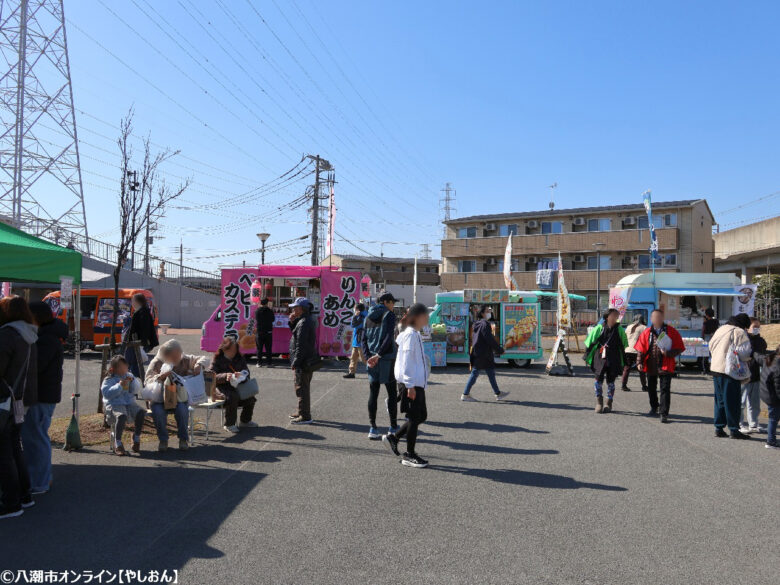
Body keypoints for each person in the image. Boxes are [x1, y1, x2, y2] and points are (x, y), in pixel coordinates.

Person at [21, 302, 67, 493]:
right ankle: (42, 479)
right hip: (44, 395)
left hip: (41, 396)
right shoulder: (50, 335)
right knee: (36, 437)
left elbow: (36, 367)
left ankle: (39, 482)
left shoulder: (46, 338)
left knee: (35, 439)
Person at [0, 296, 38, 518]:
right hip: (21, 400)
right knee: (15, 447)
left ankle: (11, 502)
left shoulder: (7, 335)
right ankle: (25, 495)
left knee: (4, 452)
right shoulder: (29, 335)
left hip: (5, 400)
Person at [382, 303, 430, 468]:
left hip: (416, 383)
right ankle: (409, 454)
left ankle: (394, 438)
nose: (427, 318)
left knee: (421, 416)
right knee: (414, 418)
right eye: (425, 315)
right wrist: (409, 385)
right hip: (411, 384)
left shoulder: (414, 334)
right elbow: (407, 361)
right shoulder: (410, 335)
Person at [145, 339, 208, 451]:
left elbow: (205, 358)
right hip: (159, 399)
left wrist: (199, 364)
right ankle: (163, 440)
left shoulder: (185, 359)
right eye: (173, 357)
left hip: (179, 398)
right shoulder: (156, 362)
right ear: (165, 355)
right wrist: (160, 377)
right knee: (158, 412)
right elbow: (147, 381)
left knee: (182, 411)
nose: (177, 359)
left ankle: (183, 439)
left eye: (178, 356)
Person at [634, 309, 685, 423]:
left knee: (665, 389)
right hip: (650, 364)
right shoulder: (646, 332)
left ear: (662, 318)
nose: (656, 319)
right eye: (654, 317)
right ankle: (654, 406)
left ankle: (663, 413)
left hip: (665, 364)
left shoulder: (671, 331)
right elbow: (640, 350)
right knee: (651, 388)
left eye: (658, 317)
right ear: (651, 319)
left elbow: (679, 347)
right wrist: (639, 362)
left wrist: (667, 353)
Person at [708, 313, 753, 439]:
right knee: (732, 400)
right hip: (729, 370)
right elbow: (744, 353)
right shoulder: (739, 332)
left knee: (720, 400)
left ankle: (719, 427)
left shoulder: (721, 329)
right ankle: (734, 429)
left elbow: (710, 345)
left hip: (716, 367)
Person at [362, 292, 400, 439]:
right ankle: (393, 426)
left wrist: (368, 357)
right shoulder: (389, 315)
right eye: (392, 302)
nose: (393, 305)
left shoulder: (367, 316)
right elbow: (388, 336)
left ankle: (373, 428)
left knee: (373, 392)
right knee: (391, 393)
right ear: (385, 302)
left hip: (371, 360)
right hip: (386, 358)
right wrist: (379, 354)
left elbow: (363, 339)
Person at [461, 305, 509, 401]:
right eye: (487, 311)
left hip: (478, 352)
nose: (489, 312)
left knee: (490, 372)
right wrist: (500, 350)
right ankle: (465, 394)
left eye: (489, 311)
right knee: (476, 373)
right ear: (482, 313)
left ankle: (497, 393)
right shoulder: (485, 324)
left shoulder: (476, 324)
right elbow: (489, 339)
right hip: (483, 354)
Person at [210, 335, 257, 432]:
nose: (233, 352)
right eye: (231, 350)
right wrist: (225, 376)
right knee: (232, 396)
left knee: (251, 397)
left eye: (235, 350)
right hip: (221, 387)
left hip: (238, 385)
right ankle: (229, 424)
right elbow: (211, 376)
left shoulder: (239, 358)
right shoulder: (218, 359)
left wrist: (242, 376)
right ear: (224, 349)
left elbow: (246, 372)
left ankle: (245, 421)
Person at [584, 308, 628, 414]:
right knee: (598, 380)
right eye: (613, 315)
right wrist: (586, 355)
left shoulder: (620, 330)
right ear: (607, 317)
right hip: (599, 357)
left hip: (614, 357)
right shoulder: (599, 328)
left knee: (611, 381)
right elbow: (589, 342)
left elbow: (625, 344)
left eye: (616, 316)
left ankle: (609, 402)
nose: (615, 318)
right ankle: (599, 402)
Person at [101, 355, 145, 455]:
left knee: (141, 412)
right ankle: (118, 443)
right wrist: (119, 386)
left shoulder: (129, 375)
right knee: (121, 416)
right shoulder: (109, 379)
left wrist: (133, 381)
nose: (125, 369)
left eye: (125, 366)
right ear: (114, 369)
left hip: (129, 402)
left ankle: (136, 437)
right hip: (114, 404)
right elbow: (107, 394)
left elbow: (135, 390)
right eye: (122, 367)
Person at [288, 297, 317, 424]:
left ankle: (305, 415)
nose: (293, 309)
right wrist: (292, 322)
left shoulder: (304, 322)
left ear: (301, 309)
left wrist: (296, 362)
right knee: (301, 388)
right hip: (305, 359)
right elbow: (297, 336)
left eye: (295, 307)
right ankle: (301, 411)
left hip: (303, 361)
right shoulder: (304, 320)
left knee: (302, 388)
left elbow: (301, 345)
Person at [739, 318, 767, 434]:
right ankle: (739, 423)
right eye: (754, 327)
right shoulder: (743, 339)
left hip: (756, 374)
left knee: (754, 402)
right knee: (741, 402)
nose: (756, 329)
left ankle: (753, 424)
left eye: (758, 327)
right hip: (744, 374)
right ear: (747, 328)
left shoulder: (761, 341)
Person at [123, 293, 158, 377]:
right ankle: (135, 380)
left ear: (137, 301)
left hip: (137, 343)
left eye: (133, 301)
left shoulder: (143, 312)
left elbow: (145, 329)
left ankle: (137, 382)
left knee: (133, 363)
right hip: (135, 342)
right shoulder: (140, 311)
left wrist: (142, 342)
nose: (132, 303)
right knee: (132, 362)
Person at [757, 345, 780, 449]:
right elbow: (778, 387)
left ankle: (771, 439)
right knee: (773, 419)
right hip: (772, 396)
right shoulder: (778, 367)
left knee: (773, 417)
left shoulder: (770, 357)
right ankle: (770, 441)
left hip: (765, 393)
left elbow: (757, 356)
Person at [621, 313, 647, 392]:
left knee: (626, 368)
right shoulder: (644, 327)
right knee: (641, 368)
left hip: (627, 350)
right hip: (637, 351)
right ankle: (644, 386)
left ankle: (623, 385)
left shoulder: (628, 327)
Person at [343, 303, 367, 379]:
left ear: (357, 310)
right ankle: (351, 372)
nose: (353, 310)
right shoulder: (363, 315)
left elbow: (353, 325)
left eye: (354, 308)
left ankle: (374, 372)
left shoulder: (362, 316)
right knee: (353, 358)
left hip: (361, 341)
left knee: (364, 359)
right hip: (357, 340)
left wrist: (355, 316)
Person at [254, 298, 274, 367]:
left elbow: (256, 319)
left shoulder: (257, 311)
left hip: (259, 332)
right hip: (268, 332)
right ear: (267, 303)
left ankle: (259, 363)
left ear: (260, 303)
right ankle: (269, 363)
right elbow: (273, 319)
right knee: (268, 348)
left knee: (259, 348)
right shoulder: (269, 311)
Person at [701, 308, 719, 373]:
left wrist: (702, 337)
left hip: (707, 337)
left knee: (705, 354)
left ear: (706, 315)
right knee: (714, 354)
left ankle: (705, 369)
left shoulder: (706, 322)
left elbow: (703, 331)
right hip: (714, 337)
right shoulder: (716, 321)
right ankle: (715, 368)